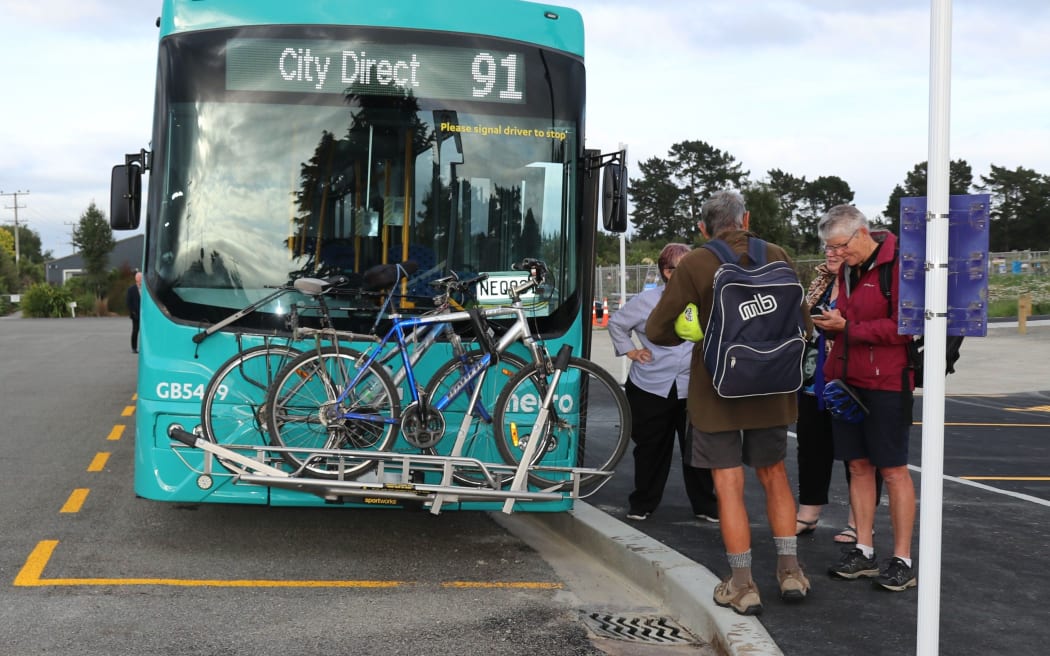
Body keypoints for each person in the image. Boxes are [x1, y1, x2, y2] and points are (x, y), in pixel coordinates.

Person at [646, 190, 811, 616]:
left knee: (728, 484)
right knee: (774, 475)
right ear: (746, 219)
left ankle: (742, 584)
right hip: (774, 387)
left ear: (703, 227)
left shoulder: (697, 262)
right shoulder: (777, 254)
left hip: (717, 388)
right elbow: (803, 324)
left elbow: (658, 329)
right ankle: (791, 572)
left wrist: (694, 329)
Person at [813, 205, 918, 592]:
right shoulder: (847, 270)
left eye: (840, 245)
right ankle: (865, 549)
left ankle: (903, 559)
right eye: (830, 247)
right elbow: (845, 318)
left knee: (892, 469)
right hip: (847, 380)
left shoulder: (899, 266)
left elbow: (907, 327)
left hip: (888, 382)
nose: (836, 253)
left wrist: (849, 327)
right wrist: (829, 323)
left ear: (862, 233)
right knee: (858, 466)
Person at [608, 243, 719, 524]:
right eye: (672, 268)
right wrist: (630, 351)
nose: (679, 273)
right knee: (651, 448)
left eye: (686, 268)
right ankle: (643, 502)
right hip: (650, 385)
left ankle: (706, 505)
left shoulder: (707, 299)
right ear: (664, 272)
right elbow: (617, 323)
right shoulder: (646, 301)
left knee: (696, 448)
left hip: (693, 386)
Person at [795, 250, 884, 542]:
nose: (830, 253)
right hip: (812, 380)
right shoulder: (819, 281)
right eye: (827, 248)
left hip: (852, 380)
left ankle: (860, 522)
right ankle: (808, 514)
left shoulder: (864, 285)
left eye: (838, 248)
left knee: (858, 455)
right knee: (811, 448)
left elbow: (870, 328)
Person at [126, 271, 142, 353]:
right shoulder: (131, 290)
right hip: (136, 315)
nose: (141, 279)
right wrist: (133, 312)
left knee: (145, 333)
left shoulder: (146, 289)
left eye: (142, 278)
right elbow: (129, 302)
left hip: (145, 315)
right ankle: (134, 348)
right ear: (136, 279)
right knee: (135, 331)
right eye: (139, 278)